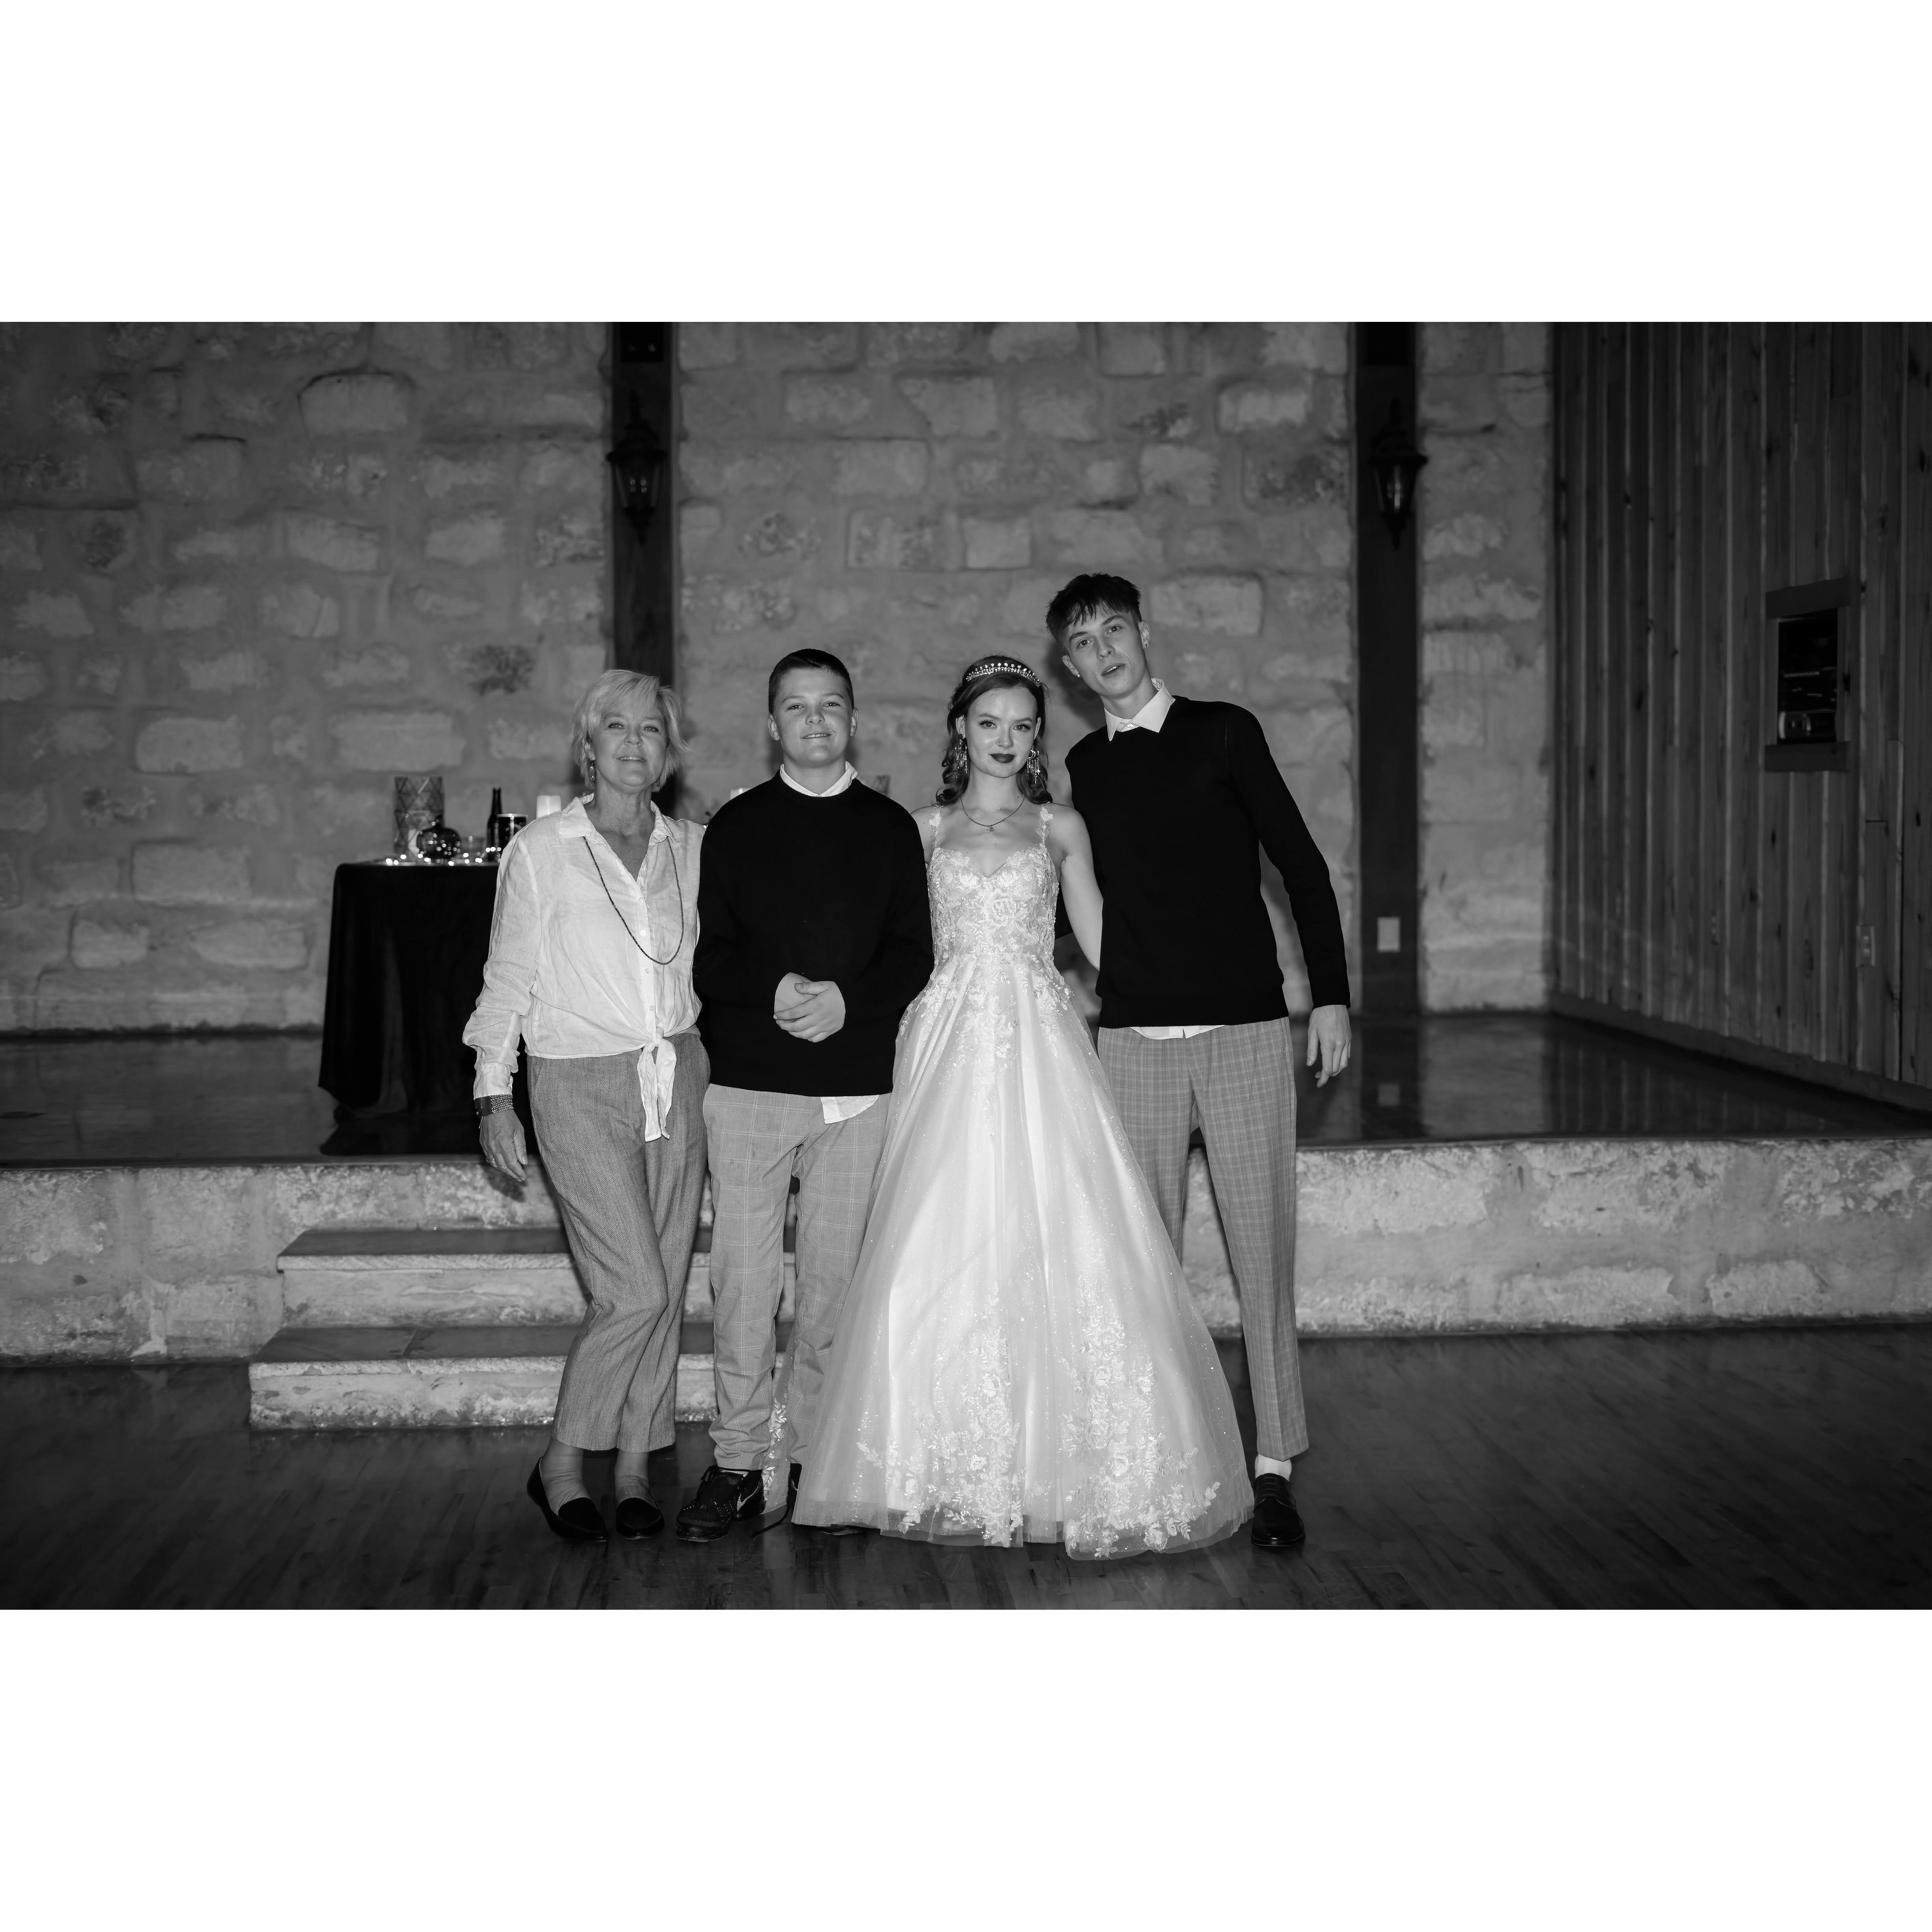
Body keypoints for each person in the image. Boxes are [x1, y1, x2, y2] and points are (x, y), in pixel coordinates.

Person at [793, 656, 1250, 1558]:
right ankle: (921, 1464)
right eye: (989, 722)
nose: (1005, 739)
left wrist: (1202, 977)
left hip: (1039, 1039)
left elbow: (1107, 945)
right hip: (945, 1039)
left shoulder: (1059, 827)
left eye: (1022, 725)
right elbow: (886, 939)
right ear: (960, 730)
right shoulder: (920, 830)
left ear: (1038, 737)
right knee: (937, 1232)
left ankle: (1063, 1466)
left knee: (1061, 1230)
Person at [1055, 572, 1352, 1552]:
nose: (1103, 652)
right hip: (1133, 1040)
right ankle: (1158, 1454)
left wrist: (1331, 994)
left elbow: (1300, 863)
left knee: (1262, 1256)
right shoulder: (1083, 766)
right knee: (1143, 1263)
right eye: (1083, 643)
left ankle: (1273, 1466)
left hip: (1242, 1029)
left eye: (1113, 630)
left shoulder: (1224, 731)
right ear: (1069, 667)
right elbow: (1083, 902)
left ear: (1143, 631)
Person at [679, 648, 934, 1542]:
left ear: (853, 720)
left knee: (830, 1293)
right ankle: (739, 1463)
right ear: (772, 725)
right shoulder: (737, 825)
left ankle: (813, 1460)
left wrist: (848, 1001)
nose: (815, 720)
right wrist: (777, 987)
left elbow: (914, 952)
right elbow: (710, 957)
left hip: (857, 1090)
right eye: (797, 707)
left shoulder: (890, 828)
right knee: (744, 1288)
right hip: (752, 1083)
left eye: (831, 705)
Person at [463, 669, 706, 1545]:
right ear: (588, 747)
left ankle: (636, 1465)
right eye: (617, 727)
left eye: (652, 729)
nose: (635, 743)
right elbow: (507, 978)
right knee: (633, 1288)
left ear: (668, 752)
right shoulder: (543, 849)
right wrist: (493, 1093)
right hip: (574, 1079)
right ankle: (563, 1461)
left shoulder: (694, 847)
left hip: (678, 1071)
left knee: (665, 1283)